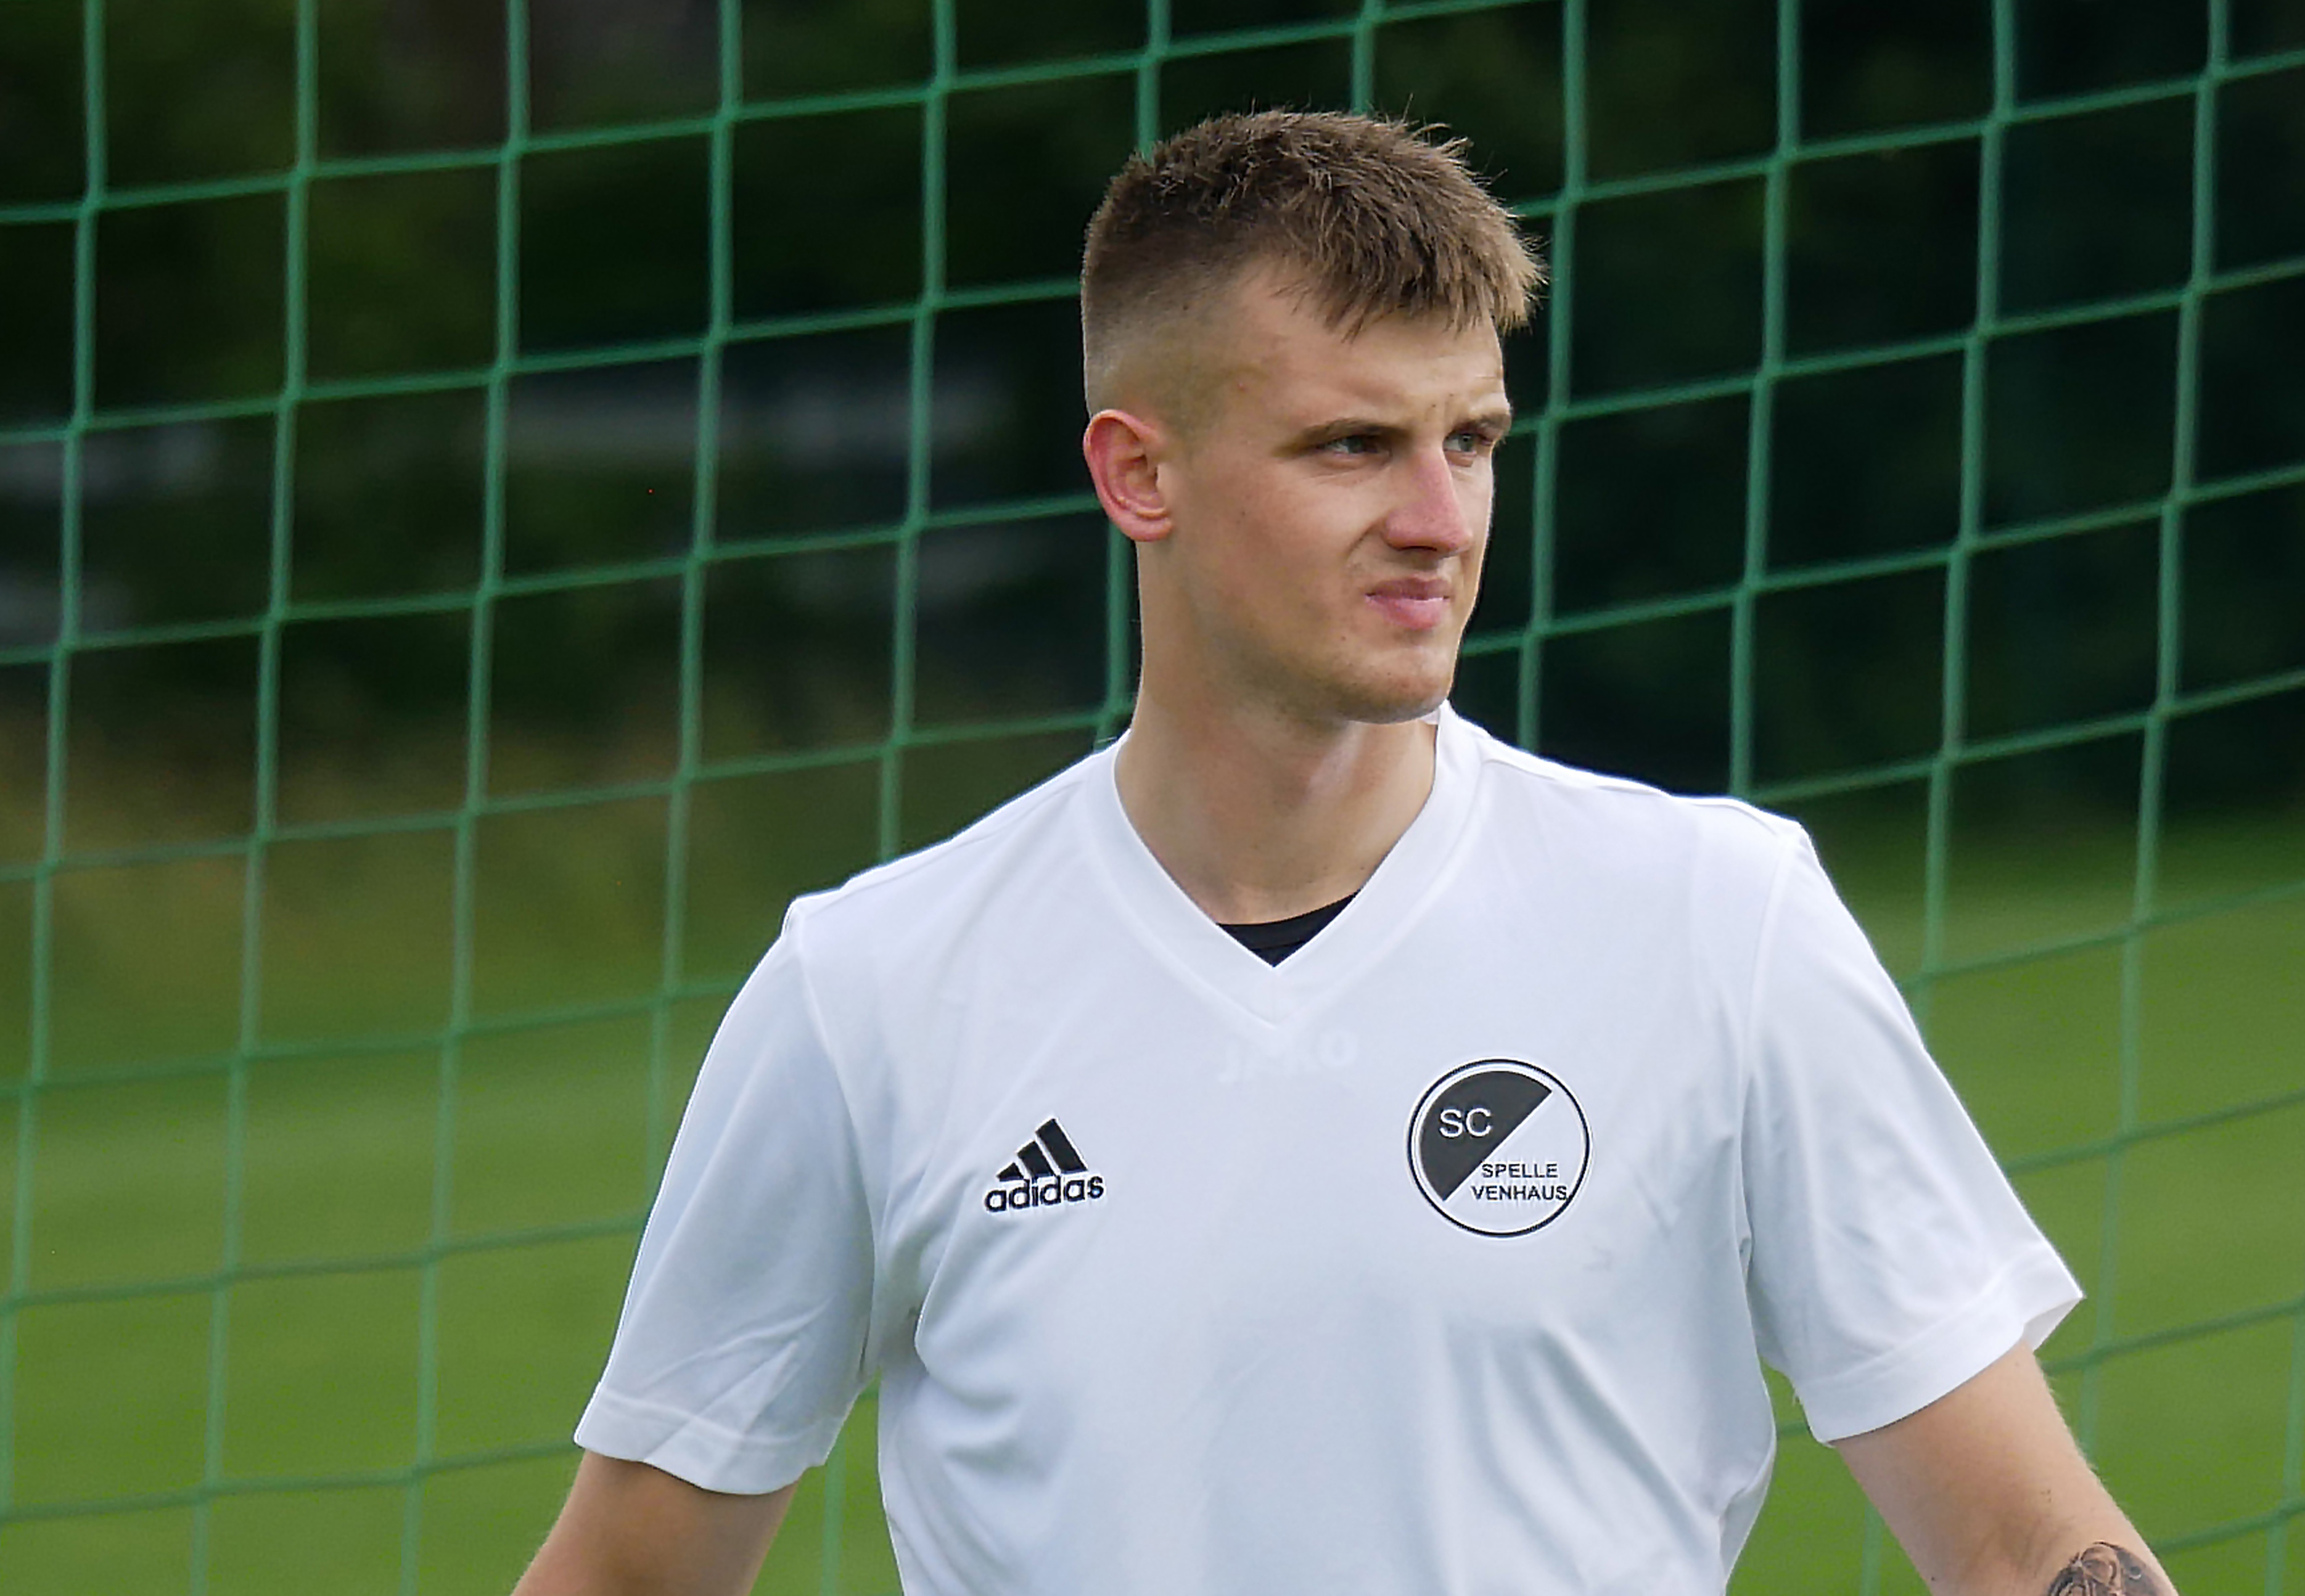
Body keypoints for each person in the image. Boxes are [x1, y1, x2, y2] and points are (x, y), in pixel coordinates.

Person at [510, 109, 2176, 1596]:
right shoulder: (873, 990)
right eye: (1352, 446)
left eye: (1472, 441)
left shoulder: (1715, 923)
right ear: (1137, 473)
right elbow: (629, 1574)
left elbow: (2025, 1546)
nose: (1441, 522)